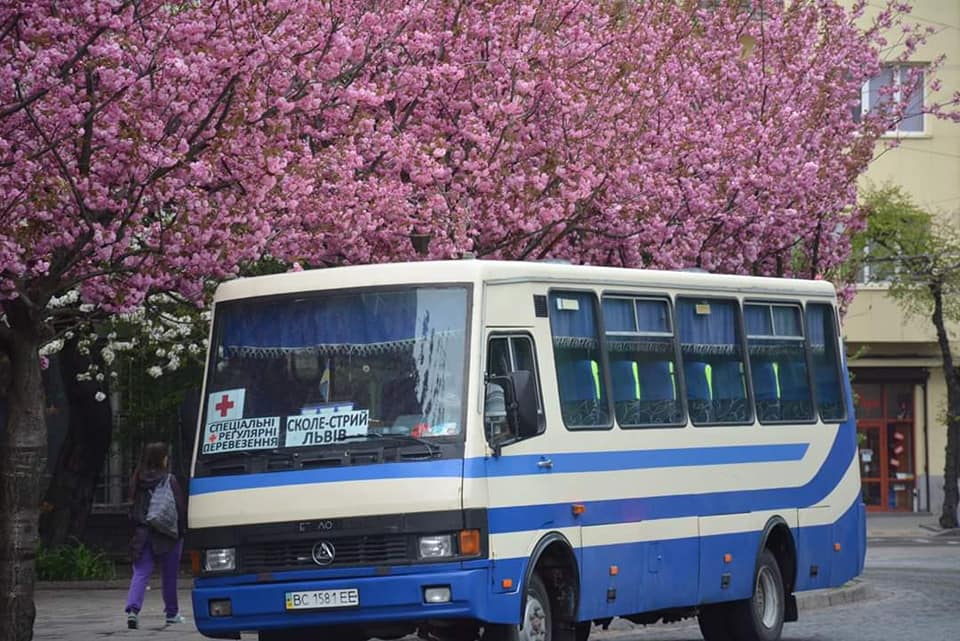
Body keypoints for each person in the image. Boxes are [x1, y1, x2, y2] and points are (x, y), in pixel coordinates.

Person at [123, 442, 187, 629]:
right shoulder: (169, 480)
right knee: (169, 575)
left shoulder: (137, 479)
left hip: (143, 533)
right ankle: (171, 613)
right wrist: (181, 531)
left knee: (141, 572)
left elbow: (132, 508)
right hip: (168, 534)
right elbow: (179, 508)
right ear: (162, 459)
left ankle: (133, 611)